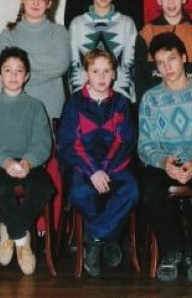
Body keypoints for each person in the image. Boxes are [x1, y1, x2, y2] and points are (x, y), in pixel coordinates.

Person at [138, 32, 192, 284]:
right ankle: (171, 250)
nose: (167, 67)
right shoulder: (150, 99)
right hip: (163, 162)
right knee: (147, 191)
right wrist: (164, 162)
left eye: (172, 59)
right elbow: (145, 145)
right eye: (160, 63)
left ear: (184, 58)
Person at [57, 49, 139, 277]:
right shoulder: (74, 103)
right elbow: (69, 143)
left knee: (131, 190)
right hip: (82, 166)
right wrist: (94, 171)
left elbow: (124, 142)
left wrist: (105, 170)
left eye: (106, 71)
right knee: (79, 192)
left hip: (115, 166)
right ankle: (110, 238)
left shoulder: (121, 104)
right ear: (86, 75)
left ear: (114, 74)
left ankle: (94, 238)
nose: (101, 77)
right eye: (95, 71)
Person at [0, 47, 54, 275]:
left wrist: (28, 161)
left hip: (29, 161)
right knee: (0, 188)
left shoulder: (35, 106)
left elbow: (42, 143)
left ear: (27, 75)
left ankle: (9, 229)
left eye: (19, 70)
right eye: (7, 70)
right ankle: (21, 239)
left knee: (44, 187)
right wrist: (6, 162)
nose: (13, 75)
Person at [0, 0, 71, 121]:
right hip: (17, 108)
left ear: (49, 4)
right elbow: (5, 72)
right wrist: (48, 73)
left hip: (51, 109)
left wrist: (20, 68)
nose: (36, 2)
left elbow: (61, 64)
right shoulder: (8, 34)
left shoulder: (59, 32)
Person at [68, 0, 137, 102]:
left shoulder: (127, 24)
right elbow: (74, 67)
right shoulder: (77, 24)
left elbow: (130, 67)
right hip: (85, 101)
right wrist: (80, 99)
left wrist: (124, 101)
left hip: (119, 101)